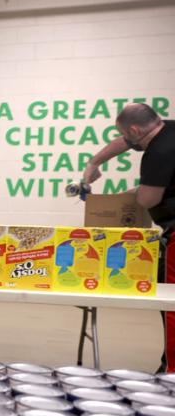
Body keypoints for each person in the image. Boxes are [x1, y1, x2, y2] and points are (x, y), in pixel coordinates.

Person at [83, 102, 175, 372]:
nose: (128, 142)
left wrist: (132, 192)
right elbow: (124, 143)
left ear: (135, 128)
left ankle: (172, 372)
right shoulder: (168, 129)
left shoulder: (159, 152)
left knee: (173, 306)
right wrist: (94, 163)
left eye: (128, 134)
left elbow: (148, 199)